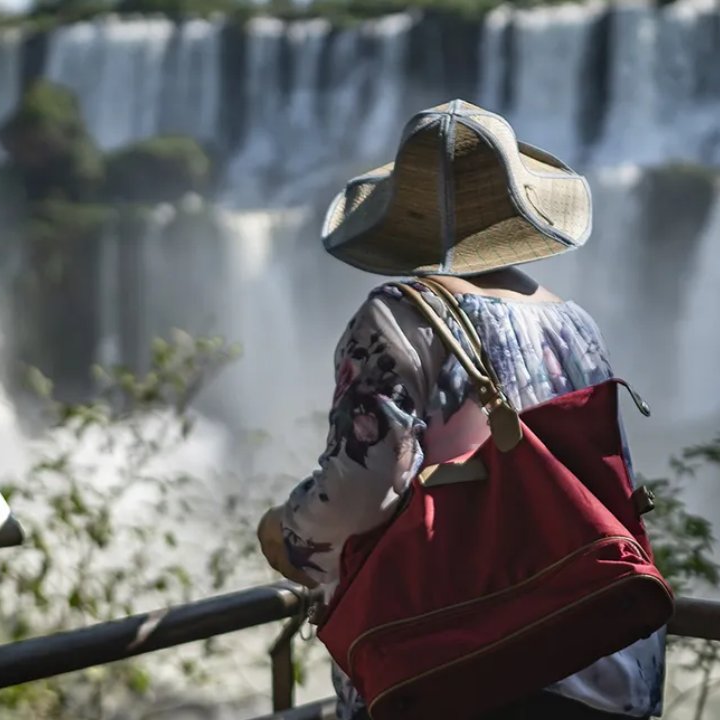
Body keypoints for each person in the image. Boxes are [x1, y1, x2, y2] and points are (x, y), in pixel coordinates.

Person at [257, 99, 667, 720]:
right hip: (595, 653)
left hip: (470, 669)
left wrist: (285, 534)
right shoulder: (573, 323)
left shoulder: (398, 316)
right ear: (513, 208)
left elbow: (360, 493)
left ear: (403, 215)